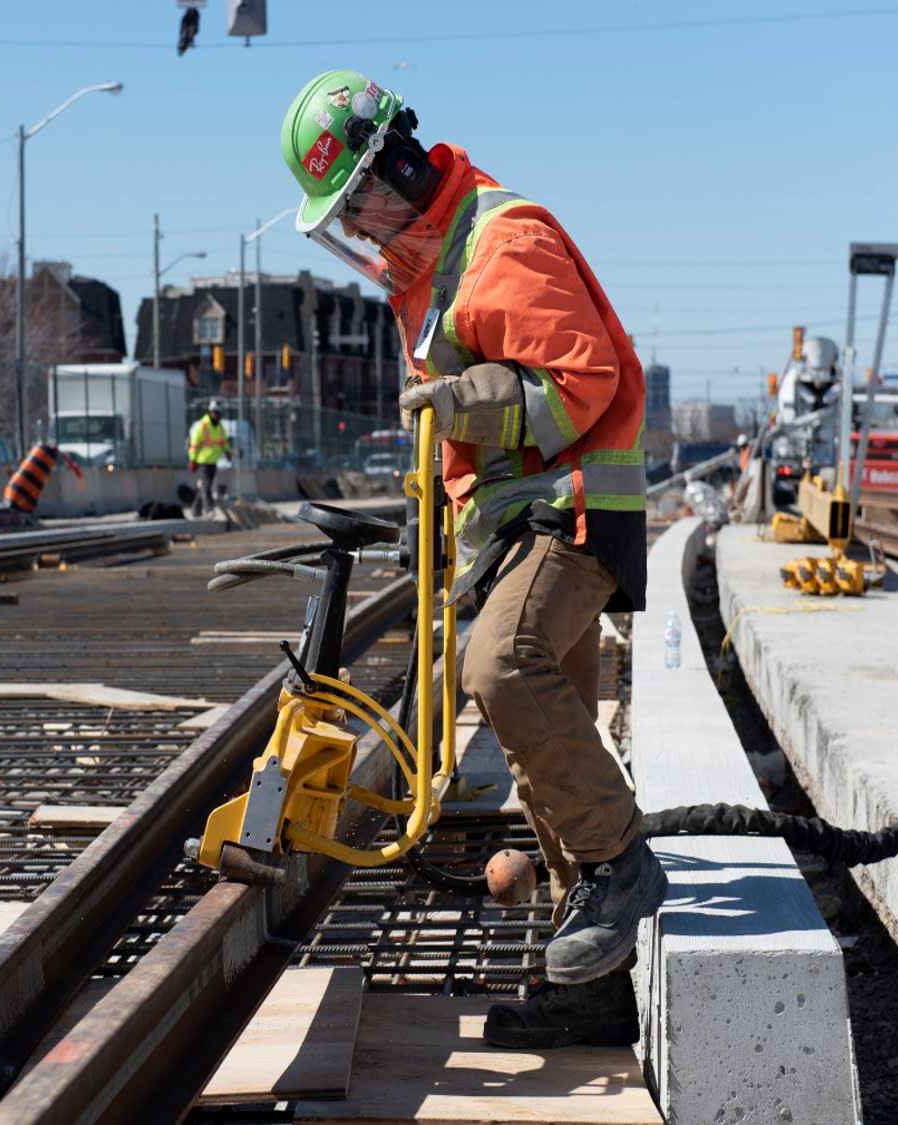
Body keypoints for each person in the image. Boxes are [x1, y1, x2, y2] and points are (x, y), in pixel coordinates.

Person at [281, 69, 664, 1046]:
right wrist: (425, 527)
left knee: (503, 663)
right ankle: (591, 988)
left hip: (569, 508)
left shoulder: (503, 239)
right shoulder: (426, 276)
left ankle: (621, 862)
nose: (358, 233)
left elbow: (585, 380)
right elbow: (450, 445)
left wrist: (474, 400)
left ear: (392, 171)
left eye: (355, 208)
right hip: (509, 523)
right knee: (547, 750)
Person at [186, 399, 231, 515]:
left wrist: (227, 452)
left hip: (213, 461)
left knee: (205, 486)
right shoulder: (202, 426)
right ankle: (209, 509)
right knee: (205, 485)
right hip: (203, 461)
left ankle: (195, 510)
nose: (216, 415)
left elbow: (224, 442)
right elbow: (194, 444)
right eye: (214, 412)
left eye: (218, 413)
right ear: (210, 412)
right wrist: (192, 460)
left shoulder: (219, 427)